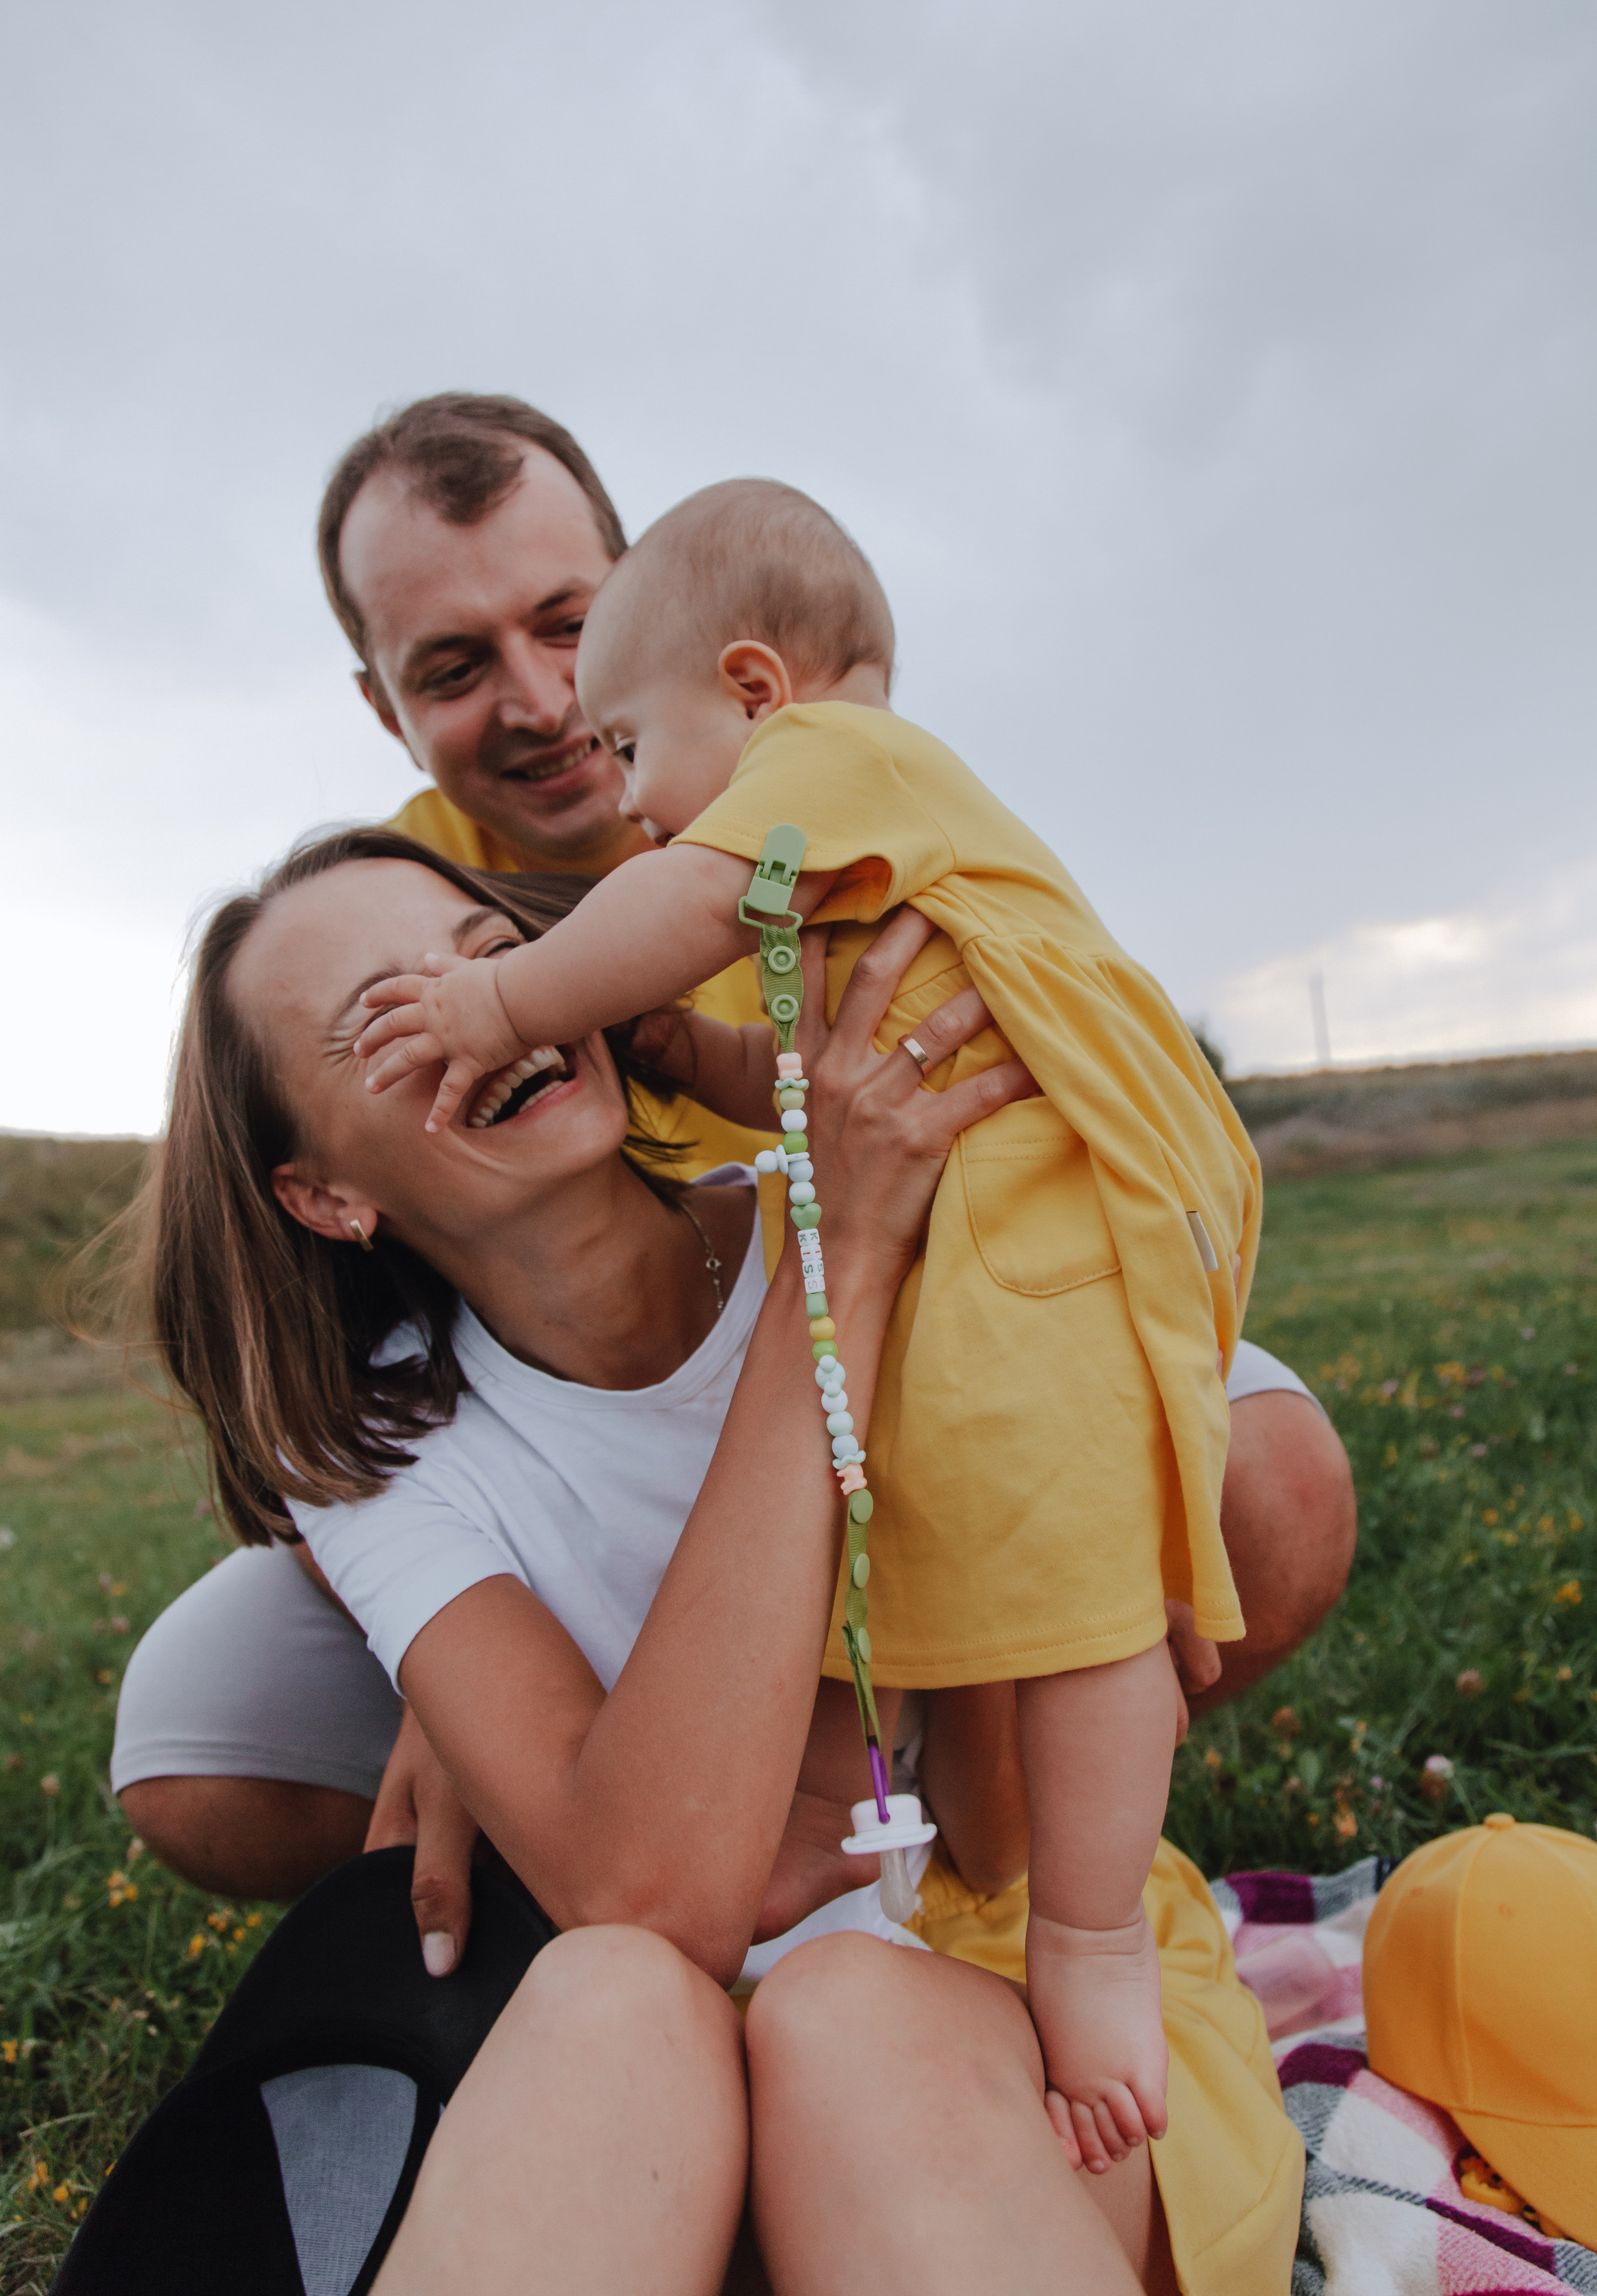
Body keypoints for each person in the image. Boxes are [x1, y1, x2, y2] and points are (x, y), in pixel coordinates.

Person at [113, 392, 1353, 1908]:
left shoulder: (797, 774)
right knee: (195, 1732)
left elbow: (981, 1067)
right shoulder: (383, 898)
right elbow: (298, 1343)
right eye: (452, 666)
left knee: (1269, 1482)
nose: (542, 700)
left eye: (567, 625)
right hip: (580, 1409)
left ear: (649, 598)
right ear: (384, 705)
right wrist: (441, 1666)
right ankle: (590, 1808)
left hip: (905, 1270)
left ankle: (976, 1797)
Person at [107, 828, 1302, 2292]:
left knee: (845, 2006)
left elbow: (995, 1836)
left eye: (493, 960)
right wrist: (839, 1268)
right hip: (662, 2128)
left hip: (1008, 2055)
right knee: (615, 1986)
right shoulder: (380, 1451)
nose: (477, 1010)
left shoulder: (904, 1207)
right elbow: (658, 1892)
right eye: (384, 1023)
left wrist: (852, 1243)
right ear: (324, 1198)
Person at [351, 476, 1260, 2160]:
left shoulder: (829, 764)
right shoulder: (831, 841)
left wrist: (497, 996)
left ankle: (1085, 1928)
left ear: (758, 692)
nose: (624, 800)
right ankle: (932, 1889)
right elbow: (797, 1066)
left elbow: (683, 913)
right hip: (978, 1243)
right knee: (1034, 1588)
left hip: (1016, 1243)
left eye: (630, 744)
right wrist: (670, 1051)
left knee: (1086, 1604)